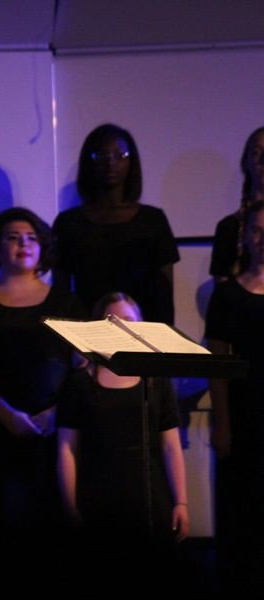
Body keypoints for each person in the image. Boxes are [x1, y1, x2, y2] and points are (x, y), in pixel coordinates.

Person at [0, 207, 84, 589]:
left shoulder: (67, 303)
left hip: (56, 434)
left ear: (41, 246)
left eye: (30, 237)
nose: (22, 244)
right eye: (12, 237)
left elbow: (81, 369)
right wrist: (8, 415)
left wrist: (54, 414)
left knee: (53, 529)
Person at [57, 292, 189, 592]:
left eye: (128, 321)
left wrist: (181, 501)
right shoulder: (80, 383)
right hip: (98, 495)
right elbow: (67, 449)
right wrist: (70, 507)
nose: (121, 328)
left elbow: (170, 445)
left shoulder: (155, 381)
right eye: (112, 321)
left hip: (149, 495)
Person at [53, 123, 180, 324]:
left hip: (143, 336)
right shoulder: (69, 223)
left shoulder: (153, 220)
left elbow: (164, 296)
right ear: (90, 161)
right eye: (102, 156)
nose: (111, 162)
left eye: (120, 155)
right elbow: (61, 295)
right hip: (86, 335)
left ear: (131, 162)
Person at [206, 199, 264, 594]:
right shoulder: (227, 296)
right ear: (244, 236)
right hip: (245, 416)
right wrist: (222, 424)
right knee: (242, 510)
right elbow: (217, 364)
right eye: (257, 230)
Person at [210, 127, 264, 280]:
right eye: (256, 153)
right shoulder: (229, 227)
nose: (263, 160)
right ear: (246, 163)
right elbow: (223, 295)